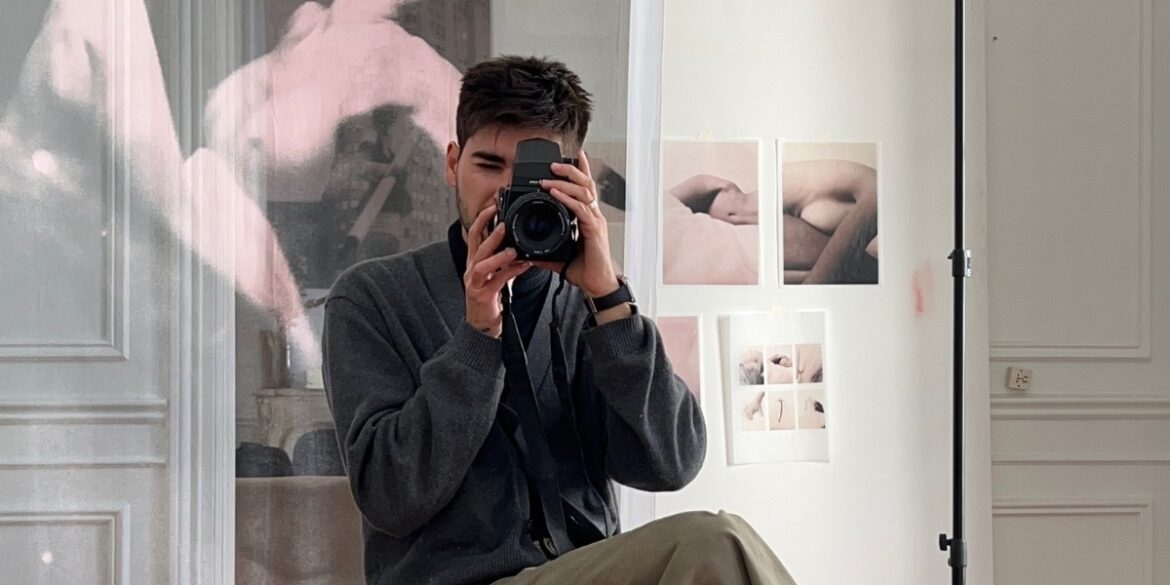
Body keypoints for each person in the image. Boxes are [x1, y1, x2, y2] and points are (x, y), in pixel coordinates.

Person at [322, 55, 797, 585]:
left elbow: (671, 463)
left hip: (582, 569)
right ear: (452, 163)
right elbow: (389, 497)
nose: (506, 193)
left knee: (714, 545)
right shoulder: (373, 297)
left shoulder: (586, 302)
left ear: (578, 177)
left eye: (534, 175)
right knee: (714, 540)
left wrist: (610, 301)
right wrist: (478, 335)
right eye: (488, 165)